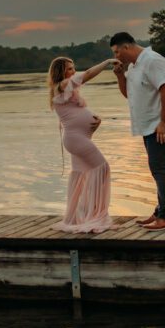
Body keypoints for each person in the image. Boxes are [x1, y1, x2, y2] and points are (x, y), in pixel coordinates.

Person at [109, 32, 165, 231]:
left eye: (117, 52)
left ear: (126, 47)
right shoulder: (133, 67)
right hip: (148, 126)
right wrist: (120, 76)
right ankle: (160, 211)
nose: (116, 57)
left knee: (159, 168)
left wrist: (164, 121)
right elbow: (129, 95)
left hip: (160, 125)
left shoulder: (153, 60)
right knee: (156, 168)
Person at [48, 56, 119, 233]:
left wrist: (96, 120)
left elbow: (76, 115)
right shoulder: (63, 85)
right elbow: (87, 74)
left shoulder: (67, 91)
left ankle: (79, 216)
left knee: (82, 176)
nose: (73, 72)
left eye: (73, 68)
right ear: (61, 72)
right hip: (76, 139)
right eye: (69, 69)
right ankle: (96, 215)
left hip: (78, 138)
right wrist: (107, 62)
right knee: (102, 168)